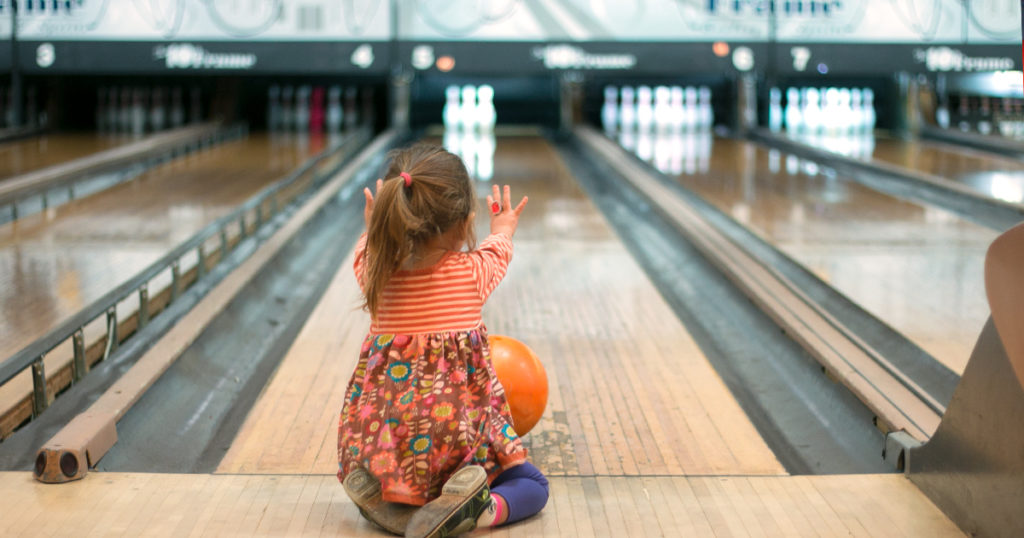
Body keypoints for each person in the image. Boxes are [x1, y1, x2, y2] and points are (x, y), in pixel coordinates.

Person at [338, 144, 549, 538]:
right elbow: (498, 248)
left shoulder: (375, 275)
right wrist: (502, 228)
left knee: (389, 472)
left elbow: (367, 247)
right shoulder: (472, 274)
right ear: (465, 224)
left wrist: (371, 231)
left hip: (382, 447)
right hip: (457, 445)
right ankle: (478, 510)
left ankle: (389, 505)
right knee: (533, 486)